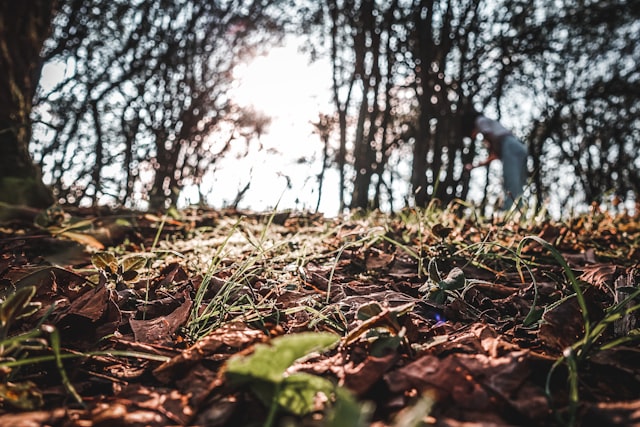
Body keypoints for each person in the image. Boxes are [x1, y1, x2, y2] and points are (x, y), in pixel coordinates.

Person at [462, 108, 528, 210]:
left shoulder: (480, 121)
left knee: (511, 181)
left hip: (510, 146)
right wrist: (475, 166)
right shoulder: (496, 135)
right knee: (517, 182)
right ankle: (518, 210)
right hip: (518, 147)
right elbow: (494, 156)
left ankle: (510, 210)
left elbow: (491, 137)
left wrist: (490, 146)